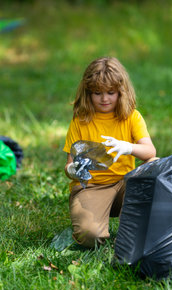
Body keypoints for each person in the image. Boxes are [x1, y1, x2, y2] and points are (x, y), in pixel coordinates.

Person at [62, 57, 156, 248]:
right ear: (88, 93)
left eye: (111, 93)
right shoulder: (80, 120)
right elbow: (69, 163)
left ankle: (132, 228)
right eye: (98, 93)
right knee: (90, 237)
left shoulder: (131, 116)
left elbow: (150, 151)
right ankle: (96, 223)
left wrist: (127, 147)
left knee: (156, 164)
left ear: (121, 92)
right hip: (92, 187)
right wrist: (73, 170)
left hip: (125, 184)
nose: (105, 99)